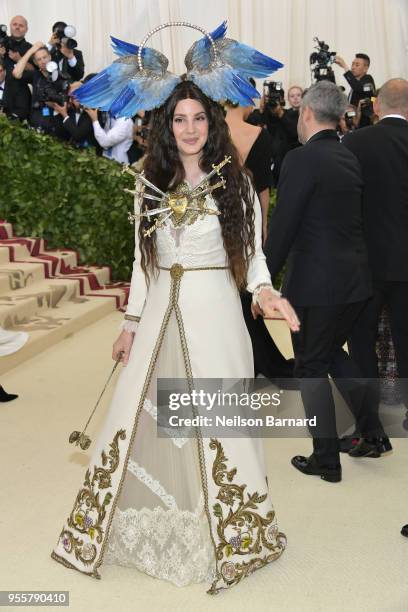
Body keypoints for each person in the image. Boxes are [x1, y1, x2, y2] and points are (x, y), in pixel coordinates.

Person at [51, 23, 299, 593]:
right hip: (160, 311)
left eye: (199, 119)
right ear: (167, 125)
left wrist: (265, 293)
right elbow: (144, 263)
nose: (190, 129)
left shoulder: (235, 182)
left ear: (212, 125)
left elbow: (253, 255)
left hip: (216, 315)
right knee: (137, 418)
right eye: (180, 119)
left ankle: (234, 533)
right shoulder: (147, 182)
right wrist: (131, 322)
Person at [264, 81, 381, 483]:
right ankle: (373, 431)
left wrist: (261, 281)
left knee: (310, 365)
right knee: (331, 355)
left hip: (316, 285)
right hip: (353, 281)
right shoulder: (348, 156)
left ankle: (325, 459)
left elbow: (283, 226)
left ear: (308, 112)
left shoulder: (301, 159)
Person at [341, 78, 408, 458]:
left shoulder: (356, 142)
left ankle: (370, 423)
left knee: (362, 339)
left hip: (365, 261)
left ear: (377, 107)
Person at [225, 101, 295, 382]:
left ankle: (247, 360)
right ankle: (257, 360)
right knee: (243, 289)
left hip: (214, 216)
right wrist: (263, 222)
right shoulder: (258, 133)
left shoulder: (212, 130)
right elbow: (263, 186)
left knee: (234, 291)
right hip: (245, 214)